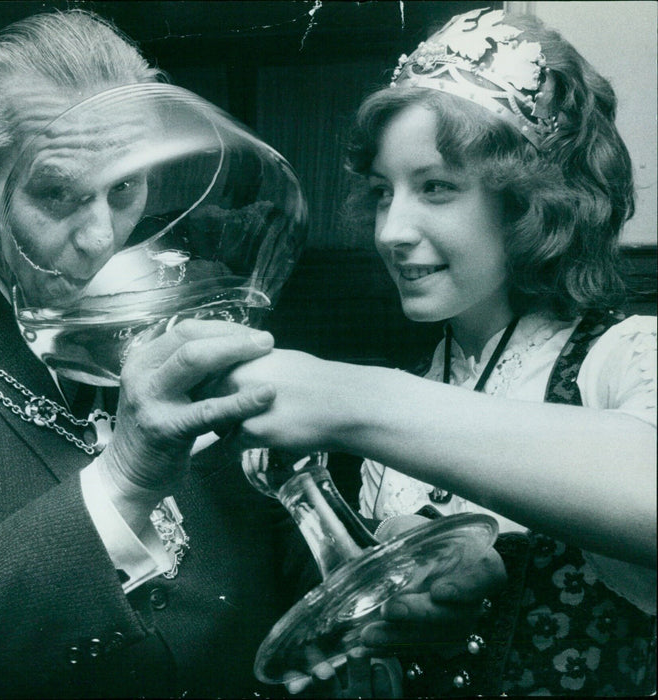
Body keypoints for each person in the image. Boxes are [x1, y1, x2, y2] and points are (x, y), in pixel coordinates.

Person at [0, 9, 413, 698]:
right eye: (57, 194)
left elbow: (293, 587)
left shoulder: (194, 314)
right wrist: (122, 477)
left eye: (125, 189)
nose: (100, 237)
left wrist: (388, 608)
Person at [211, 8, 657, 697]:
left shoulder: (624, 356)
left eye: (437, 188)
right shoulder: (422, 395)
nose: (391, 229)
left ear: (530, 203)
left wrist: (348, 398)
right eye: (383, 192)